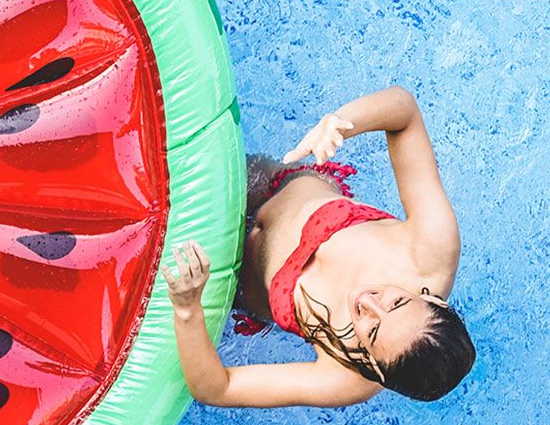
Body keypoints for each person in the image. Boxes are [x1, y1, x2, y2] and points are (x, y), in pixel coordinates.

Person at [164, 86, 474, 408]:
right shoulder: (431, 248)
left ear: (375, 368)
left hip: (234, 276)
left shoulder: (344, 377)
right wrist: (340, 121)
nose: (368, 302)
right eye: (396, 301)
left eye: (372, 331)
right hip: (268, 185)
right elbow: (405, 113)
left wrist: (187, 308)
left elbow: (218, 388)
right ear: (428, 298)